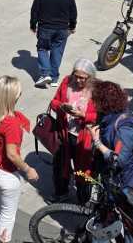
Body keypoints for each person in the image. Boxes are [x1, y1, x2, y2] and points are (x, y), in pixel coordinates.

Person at [0, 75, 38, 242]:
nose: (20, 94)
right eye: (18, 92)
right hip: (8, 174)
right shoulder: (11, 123)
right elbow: (12, 154)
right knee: (7, 215)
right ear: (12, 96)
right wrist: (28, 169)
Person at [87, 81, 133, 206]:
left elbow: (118, 160)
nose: (92, 103)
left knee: (119, 213)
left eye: (95, 100)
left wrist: (97, 142)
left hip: (127, 182)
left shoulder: (125, 128)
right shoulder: (107, 115)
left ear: (104, 103)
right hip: (111, 175)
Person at [48, 59, 97, 202]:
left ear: (90, 77)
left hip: (83, 137)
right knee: (60, 165)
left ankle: (83, 200)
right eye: (76, 76)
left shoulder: (97, 91)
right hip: (64, 133)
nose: (78, 80)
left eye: (82, 78)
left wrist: (84, 115)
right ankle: (61, 193)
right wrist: (62, 106)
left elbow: (101, 116)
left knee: (83, 169)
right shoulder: (66, 82)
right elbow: (54, 102)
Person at [30, 0, 77, 88]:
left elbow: (35, 9)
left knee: (42, 49)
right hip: (62, 29)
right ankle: (54, 78)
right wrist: (72, 26)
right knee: (57, 51)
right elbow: (73, 11)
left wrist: (33, 25)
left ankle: (45, 73)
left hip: (45, 27)